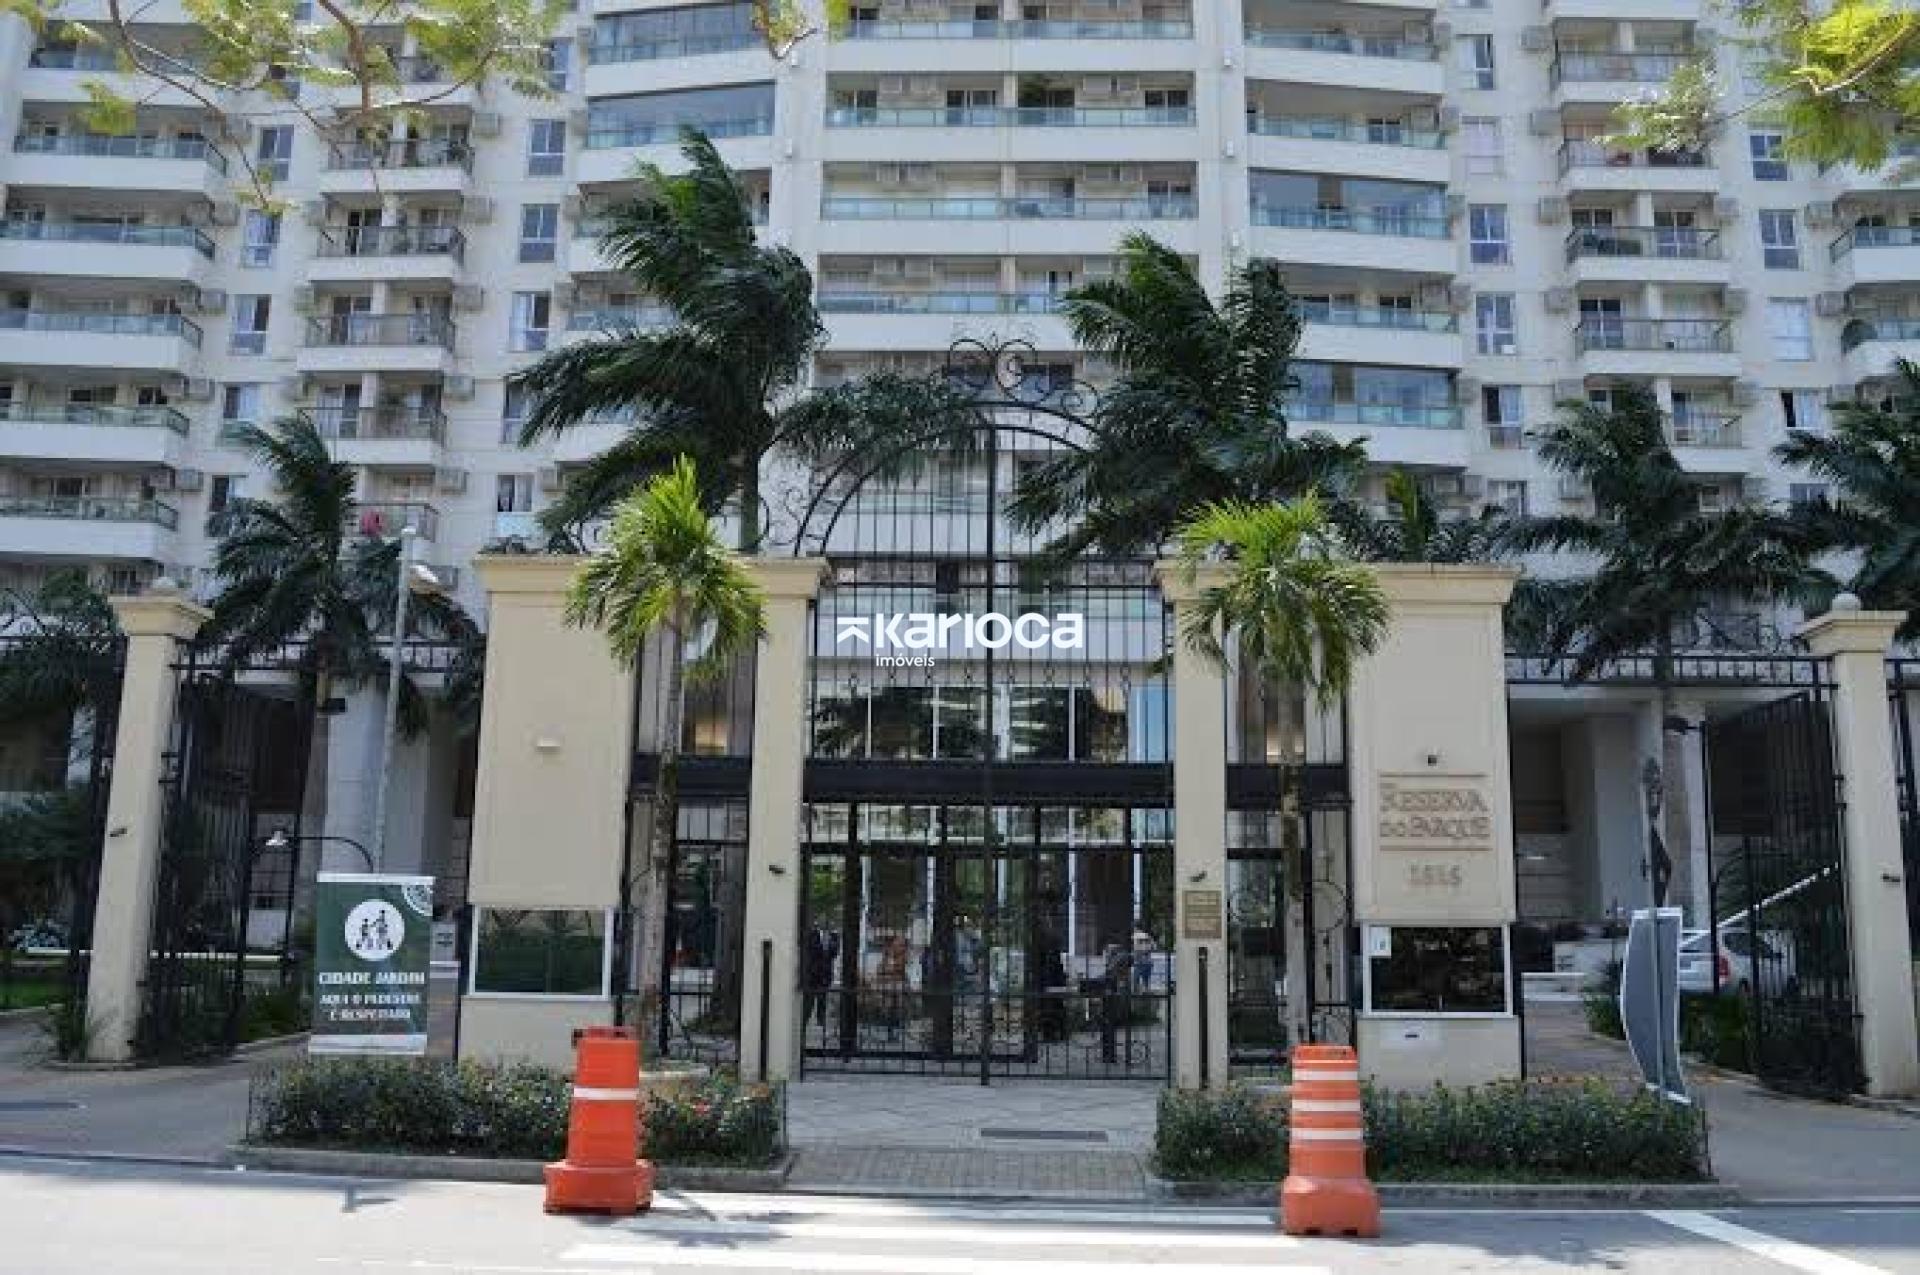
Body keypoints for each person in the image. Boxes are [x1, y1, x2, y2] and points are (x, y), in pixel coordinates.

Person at [804, 922, 839, 1032]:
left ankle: (821, 1020)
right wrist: (824, 947)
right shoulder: (813, 934)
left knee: (823, 998)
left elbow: (835, 952)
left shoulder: (834, 936)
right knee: (810, 998)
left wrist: (829, 944)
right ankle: (805, 1019)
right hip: (813, 972)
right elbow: (812, 949)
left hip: (826, 972)